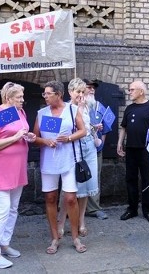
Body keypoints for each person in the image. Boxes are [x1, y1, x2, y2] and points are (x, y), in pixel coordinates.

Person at [0, 82, 34, 269]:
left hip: (17, 166)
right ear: (8, 98)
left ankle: (5, 243)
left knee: (13, 208)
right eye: (19, 97)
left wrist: (27, 137)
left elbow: (20, 132)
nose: (22, 100)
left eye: (22, 96)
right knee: (2, 209)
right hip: (0, 167)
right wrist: (14, 137)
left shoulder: (19, 112)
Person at [33, 81, 87, 255]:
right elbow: (34, 137)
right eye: (44, 94)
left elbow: (83, 130)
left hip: (69, 159)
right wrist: (45, 141)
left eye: (48, 93)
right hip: (48, 160)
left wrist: (69, 138)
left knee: (70, 198)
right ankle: (55, 237)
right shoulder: (41, 113)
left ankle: (75, 237)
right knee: (50, 197)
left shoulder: (72, 110)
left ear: (59, 94)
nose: (45, 96)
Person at [56, 78, 101, 238]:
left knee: (87, 185)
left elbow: (86, 127)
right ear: (70, 92)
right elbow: (68, 129)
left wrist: (94, 129)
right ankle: (61, 221)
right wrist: (80, 110)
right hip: (74, 148)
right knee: (69, 188)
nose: (81, 95)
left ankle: (81, 221)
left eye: (83, 92)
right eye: (78, 92)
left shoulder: (87, 107)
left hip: (89, 148)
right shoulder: (67, 108)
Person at [117, 80, 149, 223]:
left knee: (147, 180)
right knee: (131, 179)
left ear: (141, 91)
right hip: (131, 149)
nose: (129, 92)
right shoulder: (129, 109)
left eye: (132, 89)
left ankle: (148, 210)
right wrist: (119, 143)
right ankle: (132, 209)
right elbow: (124, 127)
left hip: (146, 150)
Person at [84, 79, 109, 220]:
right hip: (78, 148)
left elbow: (105, 128)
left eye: (93, 88)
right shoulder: (74, 106)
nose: (92, 90)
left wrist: (100, 146)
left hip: (96, 149)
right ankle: (70, 207)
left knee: (94, 178)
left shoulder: (100, 107)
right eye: (88, 87)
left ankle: (94, 208)